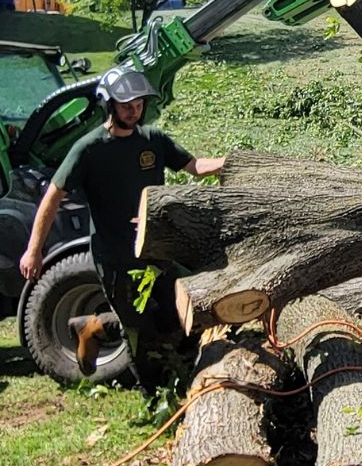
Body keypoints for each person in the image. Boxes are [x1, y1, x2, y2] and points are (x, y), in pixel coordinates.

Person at [19, 65, 225, 394]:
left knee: (177, 313)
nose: (134, 111)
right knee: (139, 330)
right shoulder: (89, 148)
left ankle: (95, 326)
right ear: (109, 105)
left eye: (139, 104)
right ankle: (151, 393)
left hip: (155, 251)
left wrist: (233, 162)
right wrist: (34, 249)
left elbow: (195, 166)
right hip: (117, 258)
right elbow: (53, 196)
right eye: (126, 105)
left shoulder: (153, 140)